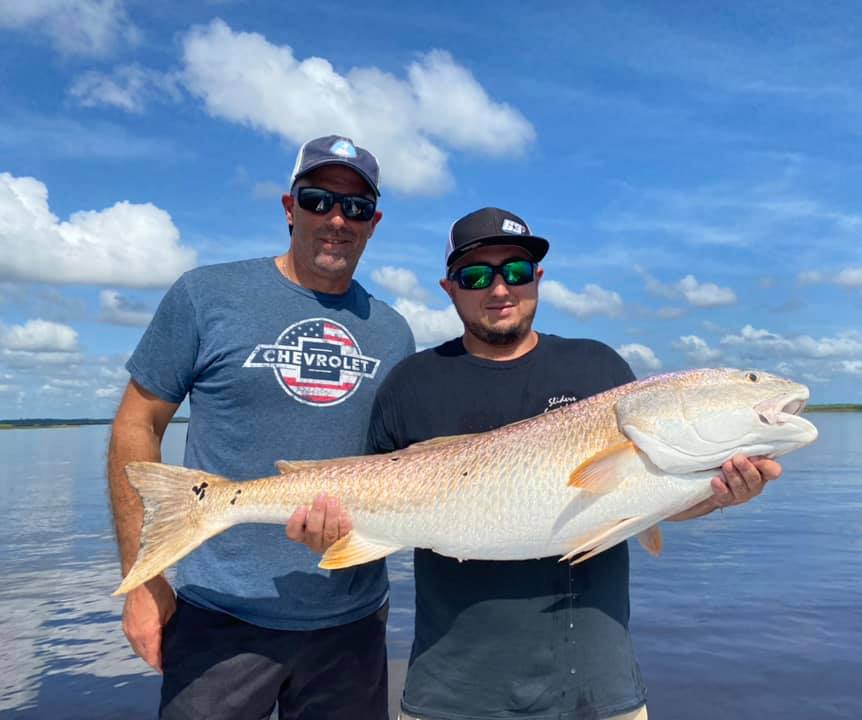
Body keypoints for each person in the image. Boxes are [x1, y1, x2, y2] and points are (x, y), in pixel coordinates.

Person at [292, 206, 783, 720]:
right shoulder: (411, 382)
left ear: (539, 279)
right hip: (450, 692)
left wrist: (715, 495)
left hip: (598, 692)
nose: (500, 289)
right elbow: (371, 507)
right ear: (449, 287)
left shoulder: (599, 368)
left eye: (517, 272)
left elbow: (646, 504)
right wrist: (330, 531)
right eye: (477, 275)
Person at [107, 134, 415, 720]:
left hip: (351, 622)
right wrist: (143, 584)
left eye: (354, 208)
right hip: (220, 617)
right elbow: (135, 424)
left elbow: (399, 463)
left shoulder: (394, 331)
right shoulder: (206, 295)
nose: (336, 219)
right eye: (318, 199)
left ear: (373, 223)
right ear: (288, 206)